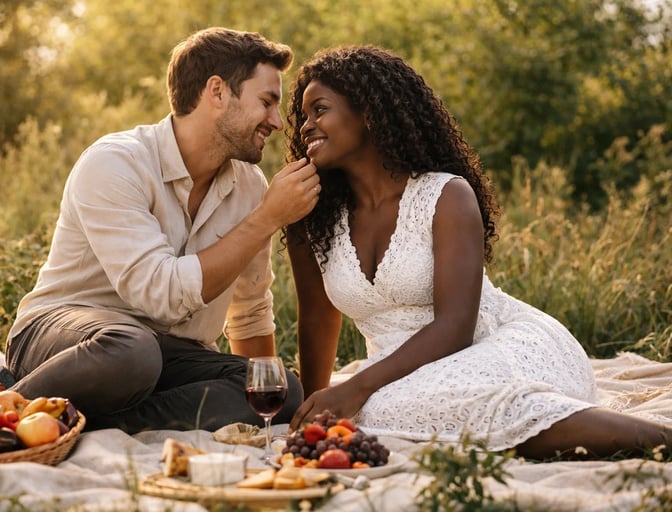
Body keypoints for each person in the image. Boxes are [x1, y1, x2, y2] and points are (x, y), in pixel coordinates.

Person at [284, 45, 671, 459]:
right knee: (382, 407)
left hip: (497, 344)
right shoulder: (313, 213)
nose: (307, 126)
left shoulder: (445, 194)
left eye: (319, 110)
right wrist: (314, 409)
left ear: (368, 113)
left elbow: (455, 327)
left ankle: (661, 439)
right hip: (403, 377)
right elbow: (317, 318)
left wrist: (357, 386)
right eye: (303, 116)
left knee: (382, 406)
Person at [3, 27, 321, 434]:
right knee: (133, 352)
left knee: (285, 389)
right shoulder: (116, 163)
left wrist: (266, 403)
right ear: (217, 92)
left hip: (168, 355)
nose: (277, 122)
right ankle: (4, 406)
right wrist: (267, 219)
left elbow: (250, 312)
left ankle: (99, 423)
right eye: (266, 102)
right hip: (71, 342)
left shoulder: (250, 186)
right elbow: (162, 296)